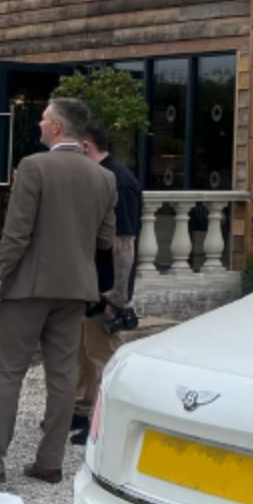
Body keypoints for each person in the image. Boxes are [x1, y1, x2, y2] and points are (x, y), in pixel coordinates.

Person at [0, 98, 116, 484]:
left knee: (8, 372)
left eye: (43, 118)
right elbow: (105, 240)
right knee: (62, 377)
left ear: (56, 127)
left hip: (28, 287)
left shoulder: (34, 166)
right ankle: (50, 462)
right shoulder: (103, 178)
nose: (39, 124)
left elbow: (16, 233)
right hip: (75, 288)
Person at [71, 120, 142, 446]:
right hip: (93, 283)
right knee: (86, 351)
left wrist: (118, 295)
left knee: (104, 355)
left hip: (106, 286)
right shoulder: (105, 177)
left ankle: (105, 420)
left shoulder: (119, 182)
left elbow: (124, 241)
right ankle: (81, 409)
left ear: (86, 147)